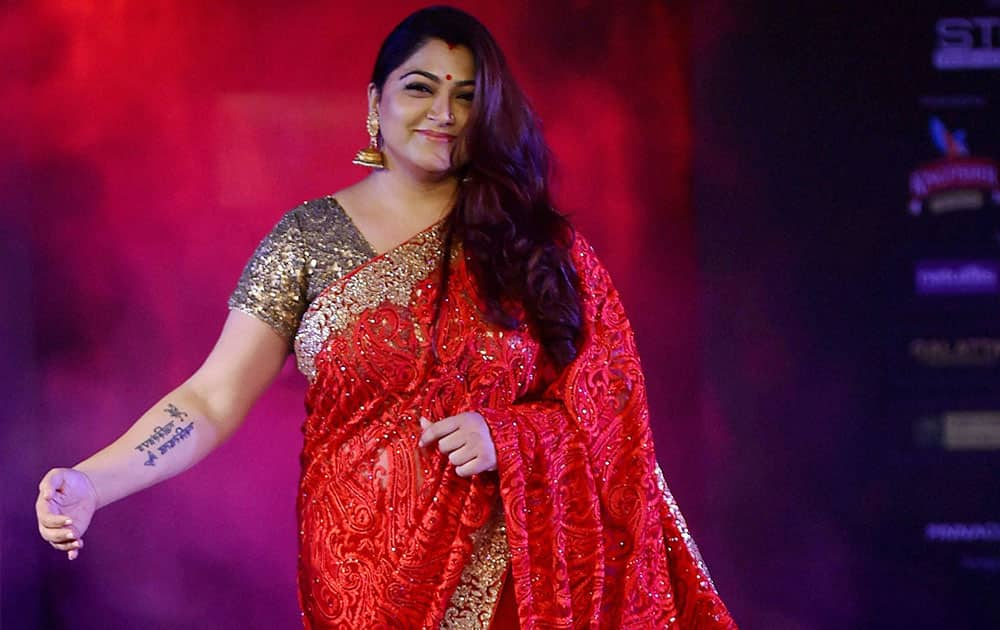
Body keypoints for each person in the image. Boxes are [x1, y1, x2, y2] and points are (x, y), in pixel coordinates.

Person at [36, 6, 736, 629]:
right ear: (375, 102)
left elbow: (614, 420)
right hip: (361, 584)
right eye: (420, 87)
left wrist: (511, 436)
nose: (445, 113)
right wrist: (95, 482)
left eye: (468, 95)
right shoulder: (308, 240)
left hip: (510, 583)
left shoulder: (536, 247)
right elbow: (211, 398)